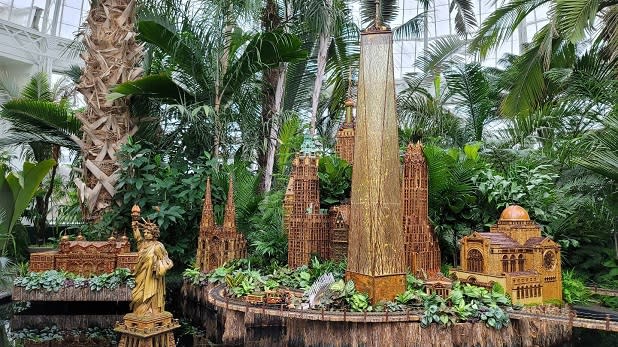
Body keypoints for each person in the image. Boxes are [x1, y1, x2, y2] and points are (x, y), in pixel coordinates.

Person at [130, 211, 173, 315]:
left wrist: (158, 266)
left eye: (148, 232)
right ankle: (140, 311)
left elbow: (167, 261)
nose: (145, 234)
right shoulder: (143, 244)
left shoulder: (158, 246)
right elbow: (138, 239)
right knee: (137, 295)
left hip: (153, 277)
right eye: (144, 232)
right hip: (141, 275)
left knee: (151, 294)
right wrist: (135, 228)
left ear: (154, 234)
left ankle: (151, 311)